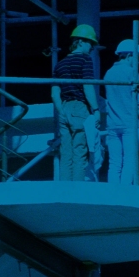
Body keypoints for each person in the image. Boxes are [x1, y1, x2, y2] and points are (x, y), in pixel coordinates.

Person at [51, 24, 100, 181]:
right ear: (81, 42)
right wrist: (96, 109)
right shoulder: (85, 60)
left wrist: (61, 110)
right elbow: (87, 86)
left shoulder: (60, 64)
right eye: (90, 44)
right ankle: (77, 189)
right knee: (80, 151)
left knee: (65, 151)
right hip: (80, 108)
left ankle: (64, 188)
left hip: (64, 107)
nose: (91, 47)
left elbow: (54, 93)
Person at [104, 39, 139, 184]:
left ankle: (113, 195)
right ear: (130, 55)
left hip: (112, 124)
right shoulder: (132, 73)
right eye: (137, 58)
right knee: (130, 160)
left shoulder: (108, 73)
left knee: (114, 163)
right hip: (129, 123)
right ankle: (125, 193)